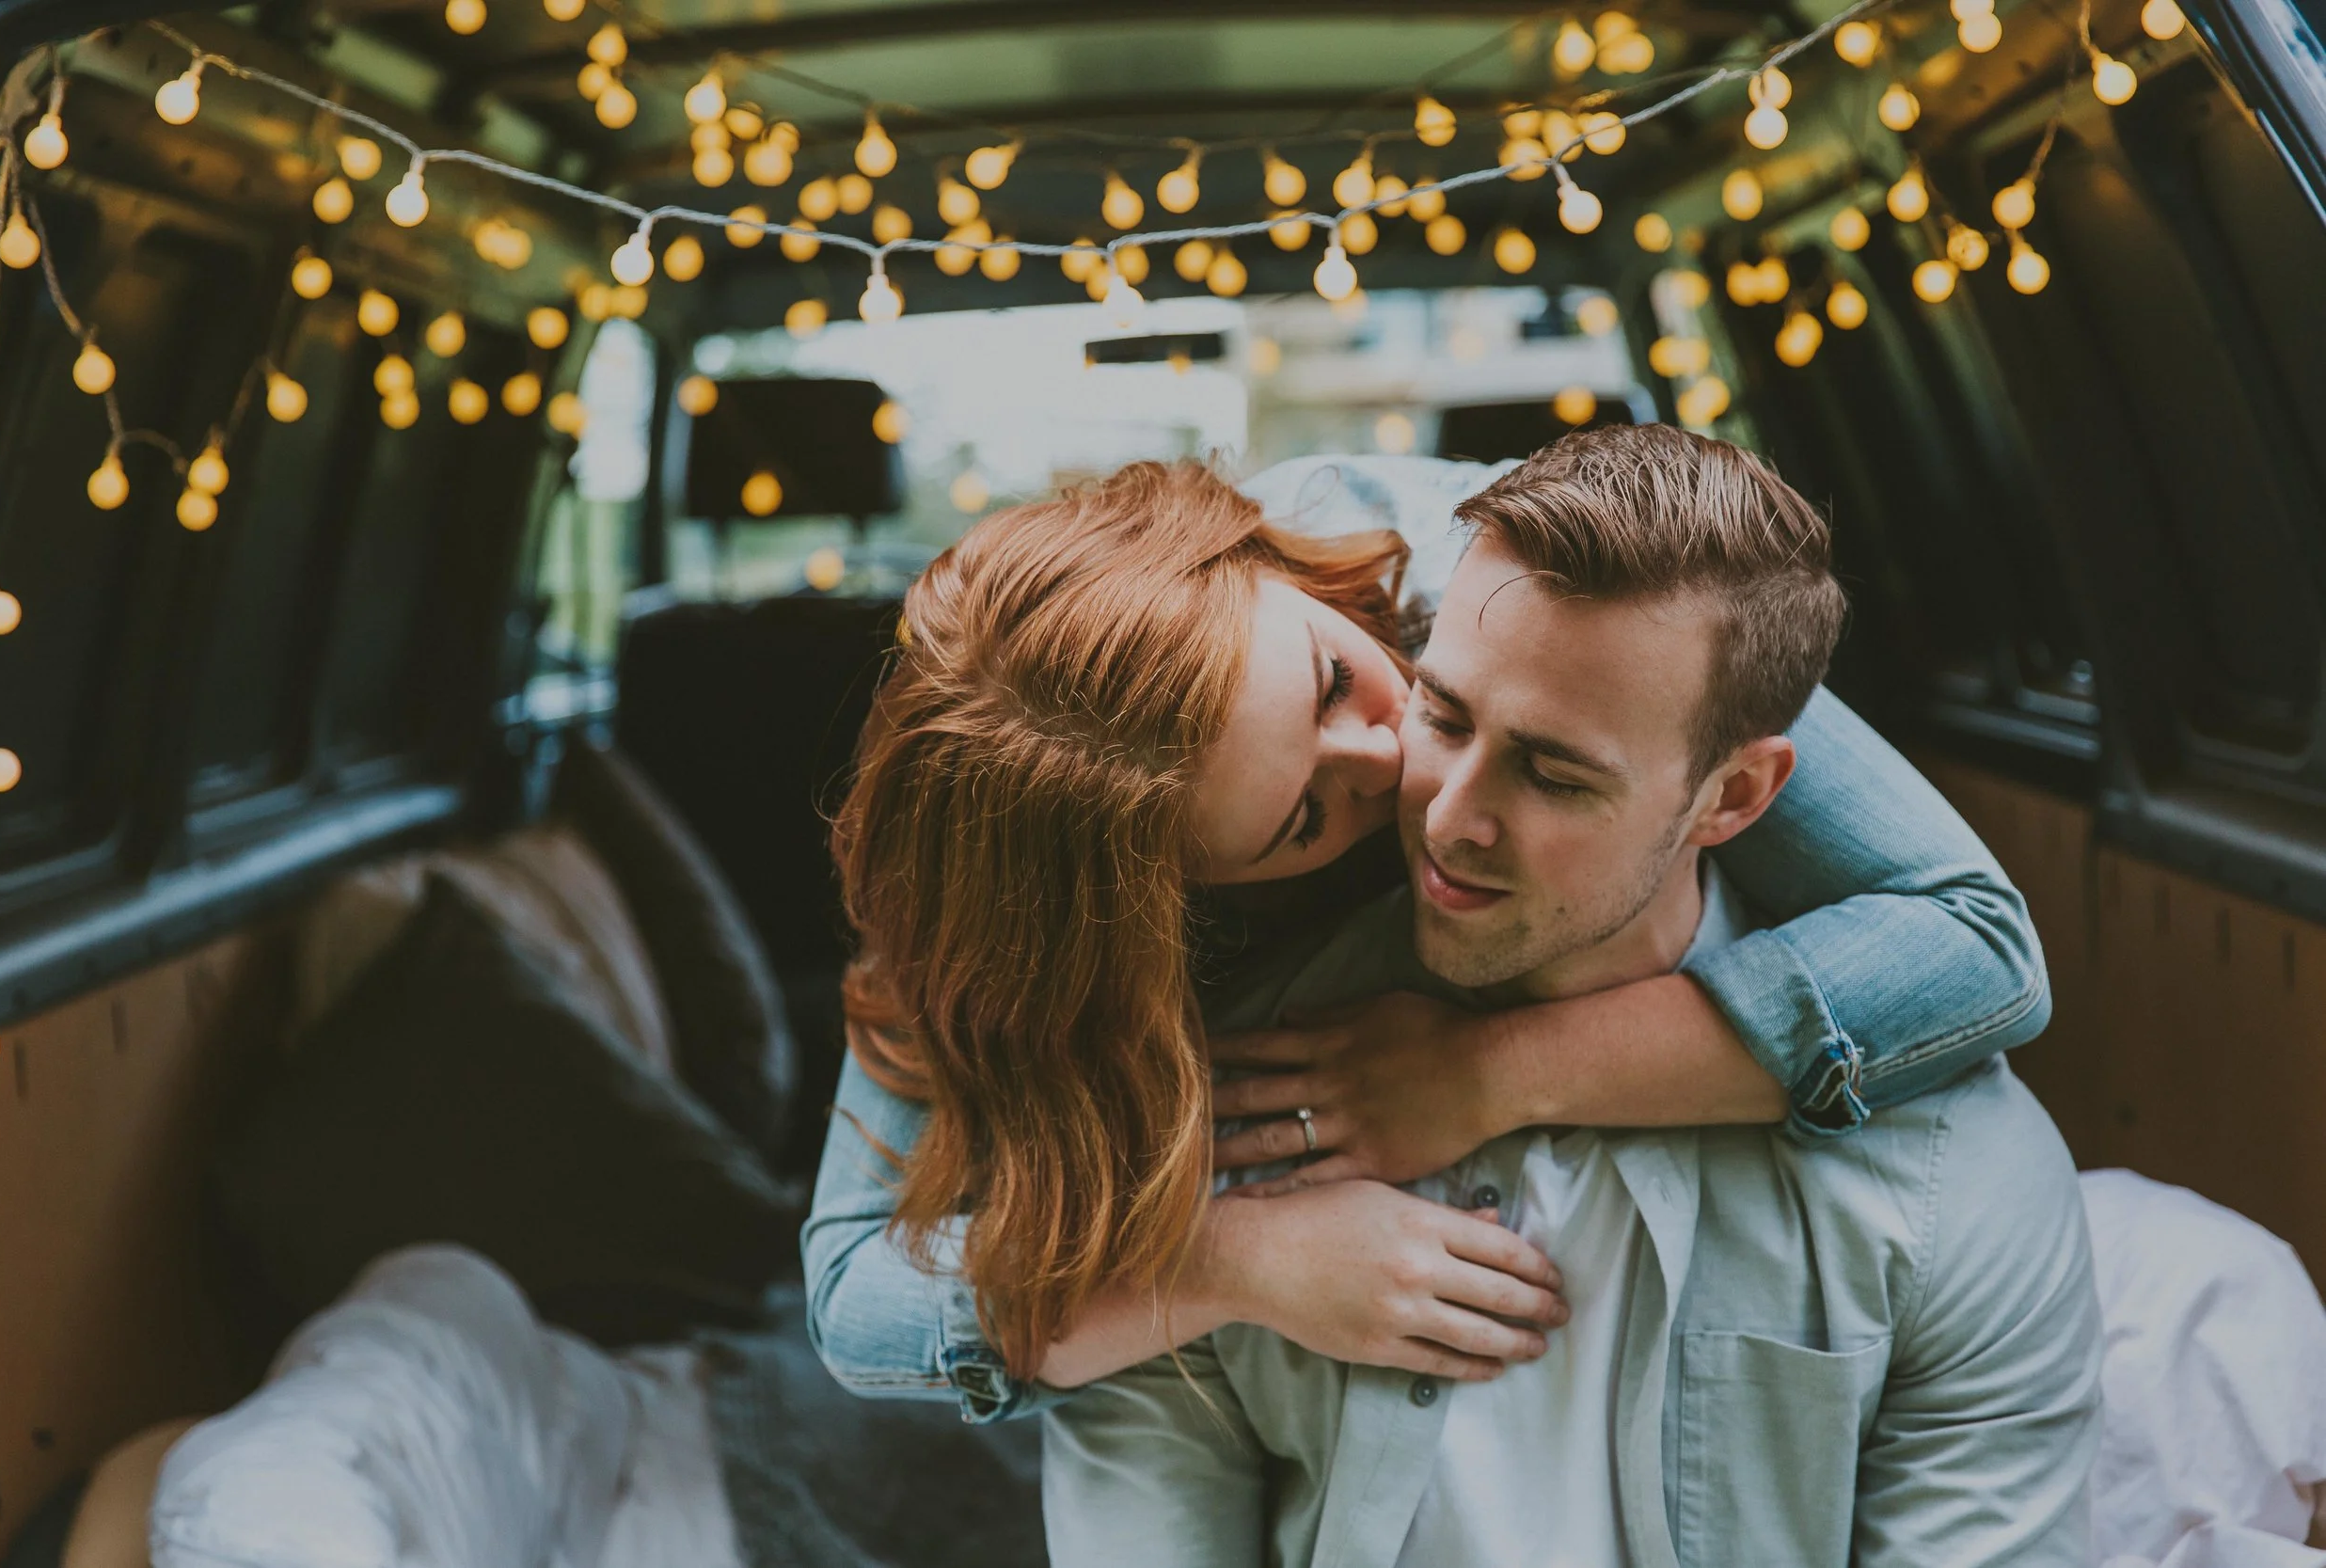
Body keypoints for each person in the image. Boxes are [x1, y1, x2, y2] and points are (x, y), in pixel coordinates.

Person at [803, 445, 2051, 1422]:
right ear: (1173, 899)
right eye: (1303, 816)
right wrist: (1231, 1259)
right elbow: (855, 1299)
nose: (1399, 755)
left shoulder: (1507, 571)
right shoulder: (1003, 892)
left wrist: (1482, 1078)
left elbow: (1975, 945)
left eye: (1336, 679)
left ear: (1256, 562)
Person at [1040, 426, 2102, 1566]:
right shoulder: (1214, 1112)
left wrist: (1487, 1075)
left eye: (1553, 772)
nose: (1449, 815)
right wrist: (1220, 1260)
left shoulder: (1955, 1175)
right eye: (1441, 717)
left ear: (1733, 794)